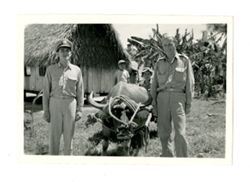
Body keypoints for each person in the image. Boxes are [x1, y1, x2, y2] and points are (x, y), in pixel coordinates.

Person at [151, 35, 195, 157]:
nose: (168, 47)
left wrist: (189, 103)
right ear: (162, 47)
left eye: (170, 44)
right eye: (165, 45)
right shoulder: (159, 63)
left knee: (180, 132)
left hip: (178, 98)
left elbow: (189, 83)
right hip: (162, 99)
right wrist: (154, 102)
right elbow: (154, 84)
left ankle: (182, 159)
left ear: (175, 44)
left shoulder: (184, 60)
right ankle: (167, 157)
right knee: (164, 132)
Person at [43, 39, 84, 155]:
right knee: (54, 137)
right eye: (62, 50)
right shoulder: (50, 70)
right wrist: (46, 110)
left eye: (67, 50)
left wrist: (80, 110)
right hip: (54, 103)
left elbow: (80, 91)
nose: (65, 53)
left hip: (70, 104)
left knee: (69, 137)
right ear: (58, 53)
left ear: (71, 53)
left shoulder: (77, 70)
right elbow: (46, 92)